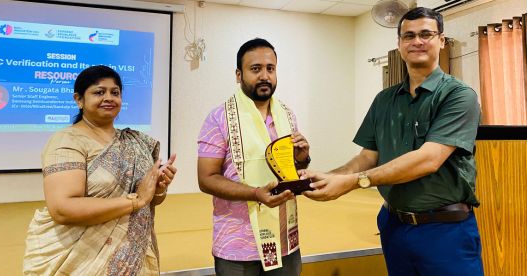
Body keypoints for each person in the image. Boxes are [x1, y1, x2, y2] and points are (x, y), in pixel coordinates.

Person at [300, 7, 484, 275]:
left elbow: (429, 159)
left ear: (441, 41)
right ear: (399, 44)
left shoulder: (458, 96)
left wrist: (354, 182)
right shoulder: (384, 100)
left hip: (445, 230)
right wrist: (329, 177)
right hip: (393, 225)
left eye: (426, 34)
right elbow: (367, 156)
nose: (417, 41)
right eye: (408, 36)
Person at [23, 65, 177, 275]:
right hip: (79, 260)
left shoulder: (136, 141)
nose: (109, 98)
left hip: (132, 258)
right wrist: (136, 201)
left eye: (115, 92)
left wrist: (158, 188)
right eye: (99, 92)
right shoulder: (67, 140)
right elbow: (62, 208)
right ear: (79, 100)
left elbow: (149, 200)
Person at [197, 38, 311, 275]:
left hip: (284, 240)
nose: (264, 76)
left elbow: (290, 171)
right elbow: (206, 178)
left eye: (270, 69)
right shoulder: (218, 118)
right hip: (237, 244)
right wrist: (255, 194)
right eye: (255, 69)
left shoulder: (287, 115)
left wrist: (302, 159)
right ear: (239, 75)